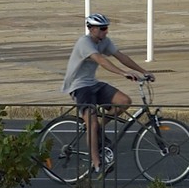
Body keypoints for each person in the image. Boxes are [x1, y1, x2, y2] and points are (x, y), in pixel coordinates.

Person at [63, 10, 149, 173]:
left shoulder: (104, 41)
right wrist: (123, 73)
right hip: (79, 86)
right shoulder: (84, 42)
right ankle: (97, 163)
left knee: (124, 101)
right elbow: (101, 60)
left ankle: (98, 128)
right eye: (102, 28)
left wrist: (143, 71)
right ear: (92, 29)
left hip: (93, 83)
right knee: (92, 122)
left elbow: (120, 56)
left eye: (106, 28)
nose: (106, 31)